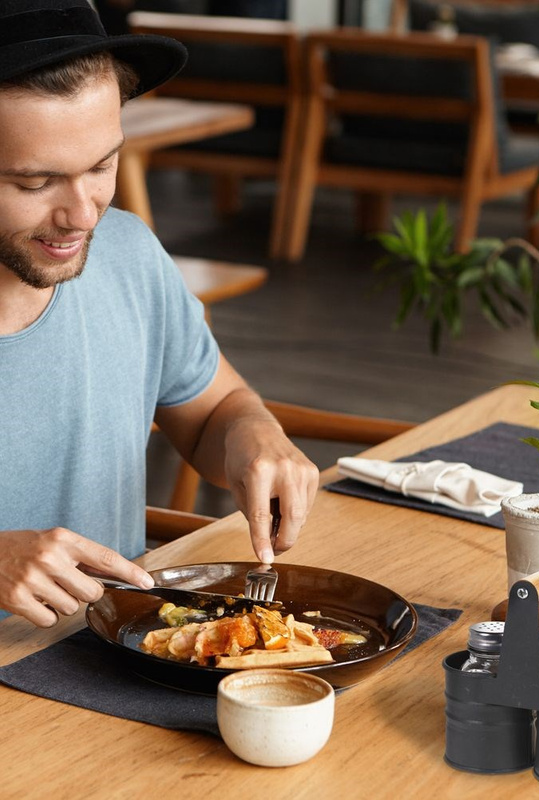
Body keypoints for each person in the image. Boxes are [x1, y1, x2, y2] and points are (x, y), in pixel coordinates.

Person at [0, 0, 319, 628]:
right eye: (35, 185)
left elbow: (211, 416)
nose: (84, 215)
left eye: (102, 166)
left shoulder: (126, 252)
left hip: (113, 672)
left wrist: (254, 434)